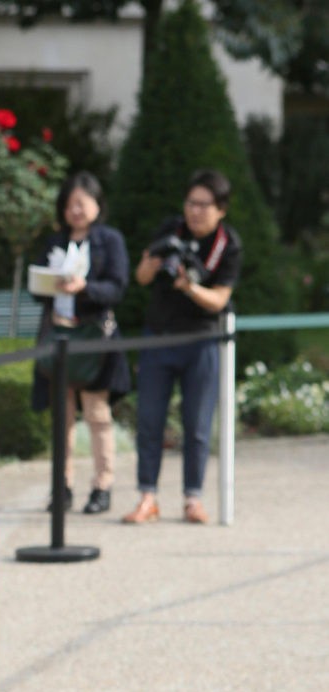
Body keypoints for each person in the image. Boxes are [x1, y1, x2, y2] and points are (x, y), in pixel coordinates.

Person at [124, 168, 242, 525]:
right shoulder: (169, 230)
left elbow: (219, 300)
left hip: (202, 341)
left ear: (220, 209)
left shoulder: (228, 244)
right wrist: (155, 259)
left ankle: (193, 499)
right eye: (191, 203)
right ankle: (148, 497)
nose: (195, 211)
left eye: (204, 205)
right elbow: (142, 278)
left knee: (198, 423)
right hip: (159, 337)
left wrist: (189, 286)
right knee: (150, 419)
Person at [31, 171, 130, 515]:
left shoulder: (110, 240)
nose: (75, 210)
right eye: (69, 204)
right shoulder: (54, 242)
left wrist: (83, 287)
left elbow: (117, 288)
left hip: (92, 338)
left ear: (97, 205)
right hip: (57, 334)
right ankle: (62, 487)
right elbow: (35, 289)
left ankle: (102, 486)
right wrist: (49, 284)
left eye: (82, 203)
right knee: (62, 417)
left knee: (97, 414)